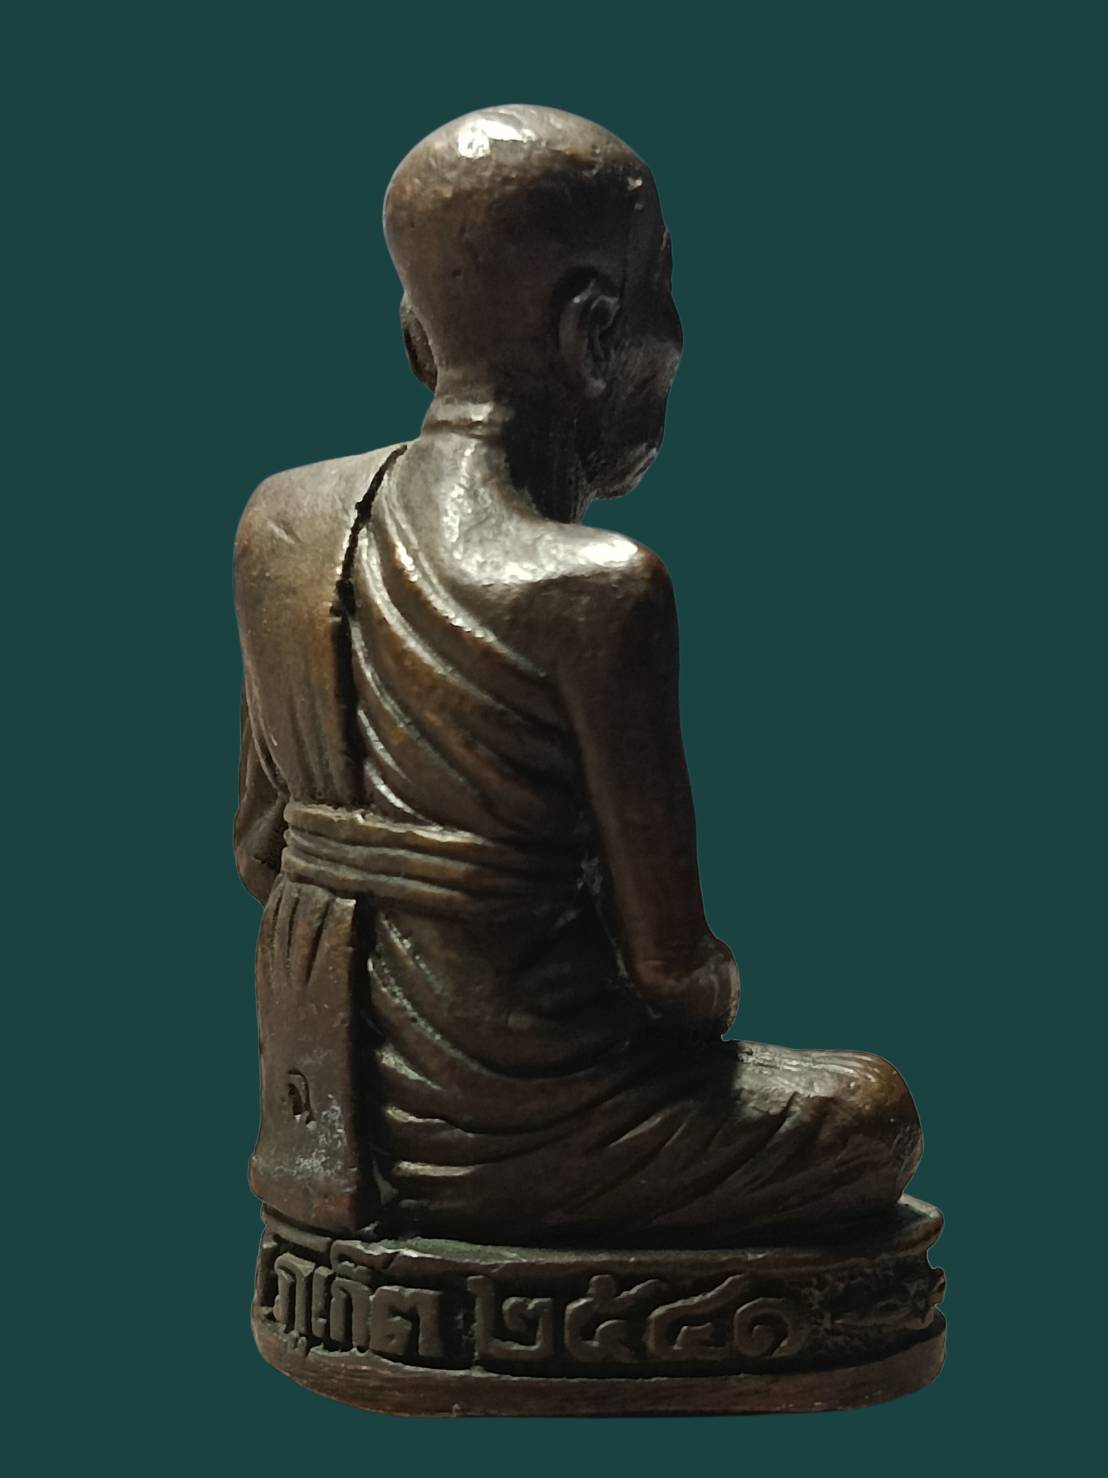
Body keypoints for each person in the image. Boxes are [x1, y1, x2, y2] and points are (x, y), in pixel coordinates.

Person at [235, 106, 921, 1244]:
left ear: (415, 334)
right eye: (665, 293)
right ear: (594, 332)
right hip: (526, 1129)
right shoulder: (597, 588)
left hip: (321, 1120)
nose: (675, 337)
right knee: (872, 1111)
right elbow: (672, 976)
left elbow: (261, 849)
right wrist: (699, 989)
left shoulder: (282, 525)